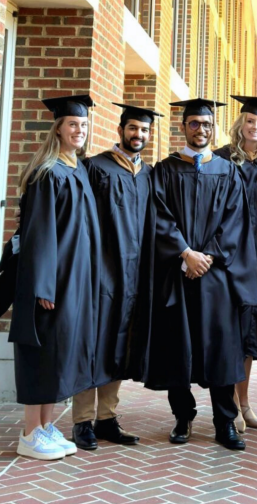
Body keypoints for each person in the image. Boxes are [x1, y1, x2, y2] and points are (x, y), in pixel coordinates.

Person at [147, 98, 257, 451]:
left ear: (213, 129)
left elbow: (235, 221)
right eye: (194, 124)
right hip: (177, 271)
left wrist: (206, 255)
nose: (200, 130)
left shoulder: (227, 171)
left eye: (206, 125)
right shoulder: (164, 170)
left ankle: (225, 421)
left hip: (215, 274)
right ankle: (183, 416)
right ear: (183, 127)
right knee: (177, 344)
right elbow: (158, 216)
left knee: (222, 347)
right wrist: (184, 253)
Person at [8, 94, 101, 460]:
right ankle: (30, 433)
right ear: (58, 129)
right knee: (42, 352)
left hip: (73, 279)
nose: (79, 130)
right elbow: (40, 235)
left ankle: (46, 427)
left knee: (57, 355)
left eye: (83, 125)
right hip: (52, 281)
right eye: (72, 125)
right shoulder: (49, 173)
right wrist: (44, 285)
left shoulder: (76, 170)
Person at [70, 103, 161, 451]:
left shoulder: (148, 174)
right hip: (101, 273)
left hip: (135, 276)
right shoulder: (95, 167)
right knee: (93, 342)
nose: (139, 134)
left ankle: (106, 417)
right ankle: (81, 421)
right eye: (134, 128)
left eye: (145, 130)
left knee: (121, 343)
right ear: (121, 129)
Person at [213, 96, 257, 433]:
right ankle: (227, 406)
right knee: (232, 333)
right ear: (240, 123)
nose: (255, 127)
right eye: (250, 121)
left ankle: (244, 403)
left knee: (251, 333)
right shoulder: (222, 160)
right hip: (231, 259)